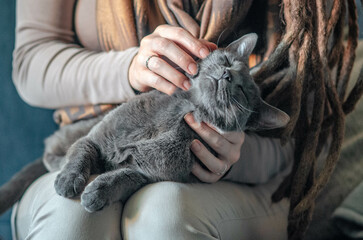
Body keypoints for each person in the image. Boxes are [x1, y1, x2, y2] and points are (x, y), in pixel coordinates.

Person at [11, 0, 294, 239]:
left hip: (240, 178)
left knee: (166, 213)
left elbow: (303, 137)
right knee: (70, 216)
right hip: (87, 139)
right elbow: (29, 61)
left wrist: (230, 155)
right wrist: (127, 69)